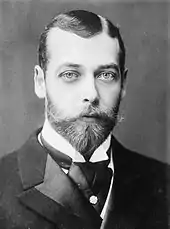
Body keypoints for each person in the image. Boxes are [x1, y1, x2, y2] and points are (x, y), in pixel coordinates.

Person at [0, 10, 169, 229]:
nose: (91, 94)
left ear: (123, 84)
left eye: (106, 75)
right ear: (40, 82)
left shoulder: (163, 182)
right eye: (70, 74)